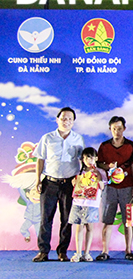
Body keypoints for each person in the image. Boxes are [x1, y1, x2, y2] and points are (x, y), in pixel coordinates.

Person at [32, 107, 85, 262]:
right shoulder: (47, 138)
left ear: (73, 122)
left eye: (69, 119)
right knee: (45, 218)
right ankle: (43, 251)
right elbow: (40, 159)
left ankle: (62, 251)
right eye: (63, 118)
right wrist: (37, 180)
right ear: (57, 120)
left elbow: (82, 161)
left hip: (69, 184)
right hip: (49, 182)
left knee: (67, 219)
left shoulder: (78, 139)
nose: (66, 121)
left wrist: (80, 180)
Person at [97, 116, 133, 261]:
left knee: (129, 220)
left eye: (120, 128)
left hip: (127, 187)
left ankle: (128, 250)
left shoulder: (131, 145)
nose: (117, 131)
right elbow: (99, 164)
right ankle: (105, 251)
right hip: (110, 187)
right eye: (114, 128)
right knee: (108, 220)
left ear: (124, 129)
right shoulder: (104, 146)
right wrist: (108, 166)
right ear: (110, 129)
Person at [69, 147, 105, 262]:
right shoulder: (79, 172)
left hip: (92, 204)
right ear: (82, 159)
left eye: (91, 157)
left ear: (96, 158)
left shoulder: (100, 172)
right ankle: (78, 253)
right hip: (78, 202)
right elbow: (75, 185)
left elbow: (103, 187)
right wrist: (74, 182)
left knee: (90, 227)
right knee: (79, 227)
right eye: (86, 158)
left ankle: (87, 253)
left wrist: (98, 176)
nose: (89, 160)